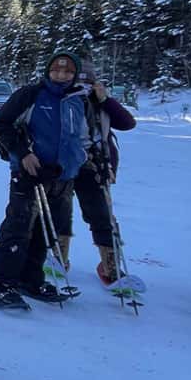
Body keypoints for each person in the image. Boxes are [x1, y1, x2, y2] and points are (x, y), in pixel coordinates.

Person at [0, 52, 91, 309]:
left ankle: (31, 279)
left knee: (46, 232)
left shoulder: (79, 100)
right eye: (56, 70)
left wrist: (80, 163)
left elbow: (86, 136)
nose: (61, 75)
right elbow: (2, 124)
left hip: (62, 176)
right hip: (28, 172)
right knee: (18, 227)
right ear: (48, 71)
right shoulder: (31, 94)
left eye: (67, 72)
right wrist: (23, 153)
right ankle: (3, 282)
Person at [54, 63, 136, 284]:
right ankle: (59, 258)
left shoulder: (101, 104)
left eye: (88, 82)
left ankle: (110, 264)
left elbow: (128, 123)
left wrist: (105, 99)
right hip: (65, 164)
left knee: (101, 215)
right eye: (79, 82)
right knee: (61, 211)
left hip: (95, 165)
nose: (83, 87)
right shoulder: (63, 100)